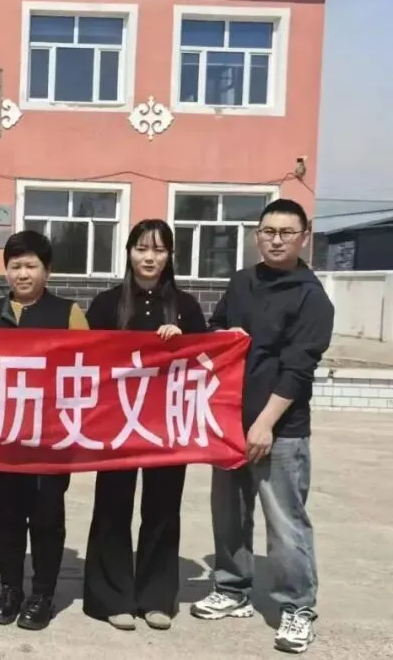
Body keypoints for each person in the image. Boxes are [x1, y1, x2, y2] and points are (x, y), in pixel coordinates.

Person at [189, 198, 333, 655]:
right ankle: (232, 587)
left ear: (303, 238)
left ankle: (298, 607)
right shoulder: (241, 282)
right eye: (268, 231)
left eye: (286, 232)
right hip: (229, 422)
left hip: (280, 429)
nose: (276, 240)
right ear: (256, 235)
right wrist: (212, 338)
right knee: (228, 513)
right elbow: (218, 331)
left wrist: (266, 424)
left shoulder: (312, 297)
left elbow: (298, 369)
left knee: (285, 523)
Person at [81, 219, 208, 631]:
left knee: (163, 508)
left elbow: (206, 362)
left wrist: (184, 342)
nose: (149, 257)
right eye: (141, 248)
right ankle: (111, 597)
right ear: (129, 253)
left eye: (158, 249)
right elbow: (85, 360)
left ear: (170, 256)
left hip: (167, 425)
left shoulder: (187, 307)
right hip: (117, 424)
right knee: (112, 507)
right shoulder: (106, 304)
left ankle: (156, 597)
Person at [0, 229, 88, 631]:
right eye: (15, 266)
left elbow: (89, 371)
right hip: (1, 435)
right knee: (5, 512)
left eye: (31, 266)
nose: (22, 274)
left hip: (50, 437)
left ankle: (42, 594)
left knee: (46, 514)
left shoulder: (68, 313)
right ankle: (10, 589)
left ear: (47, 271)